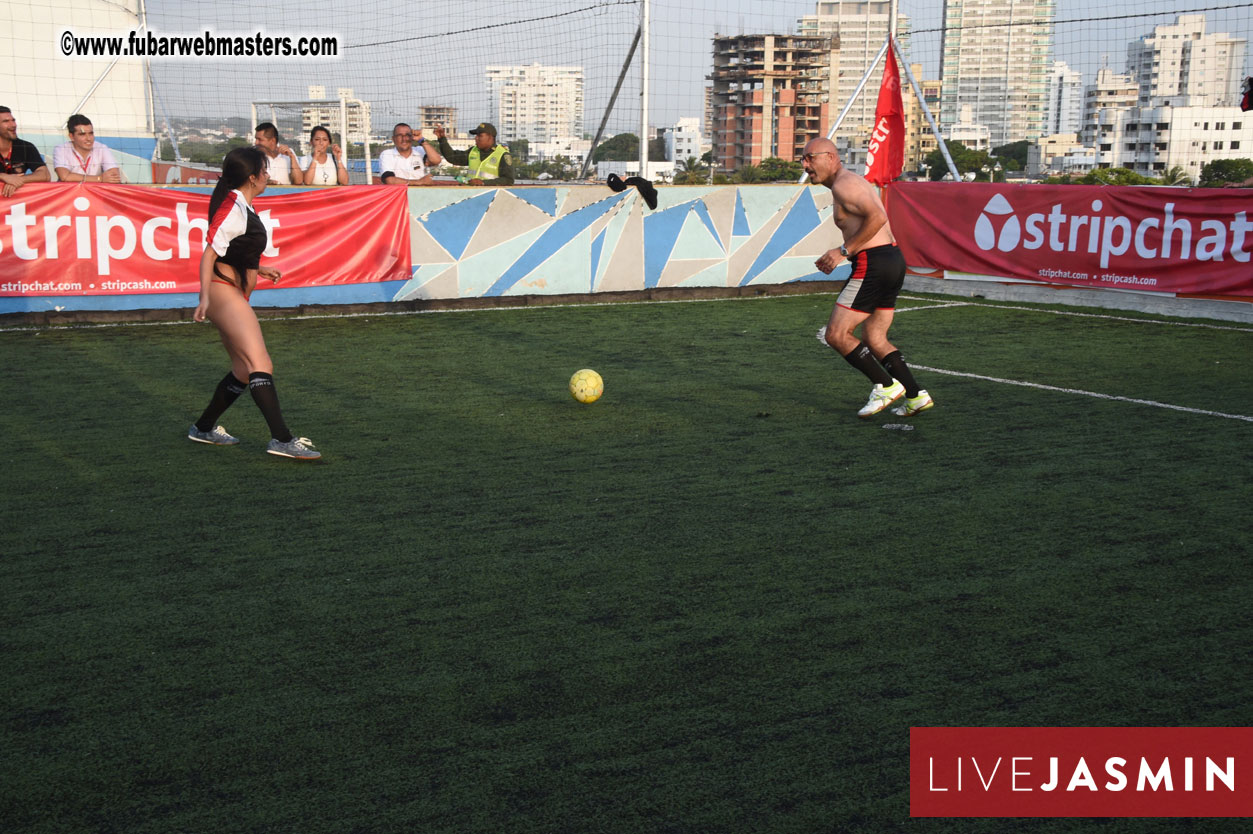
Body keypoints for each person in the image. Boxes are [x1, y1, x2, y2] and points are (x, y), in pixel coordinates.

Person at [189, 145, 320, 459]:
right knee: (261, 364)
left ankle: (203, 428)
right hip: (223, 292)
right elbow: (209, 253)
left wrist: (259, 269)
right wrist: (205, 297)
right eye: (264, 170)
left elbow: (232, 249)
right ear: (251, 177)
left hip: (227, 291)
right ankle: (282, 440)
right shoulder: (233, 207)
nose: (267, 175)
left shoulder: (241, 205)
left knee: (243, 370)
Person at [802, 136, 933, 419]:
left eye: (810, 158)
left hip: (873, 263)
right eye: (803, 159)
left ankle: (885, 385)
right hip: (890, 260)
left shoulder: (845, 184)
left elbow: (878, 217)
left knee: (836, 334)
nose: (805, 165)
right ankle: (915, 395)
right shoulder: (847, 183)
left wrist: (843, 251)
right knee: (875, 338)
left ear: (831, 157)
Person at [433, 122, 514, 186]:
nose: (476, 138)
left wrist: (483, 183)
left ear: (490, 137)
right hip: (471, 195)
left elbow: (508, 180)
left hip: (490, 196)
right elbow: (452, 157)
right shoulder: (473, 151)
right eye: (476, 135)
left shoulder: (503, 154)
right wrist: (442, 139)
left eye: (480, 136)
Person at [52, 114, 122, 183]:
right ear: (71, 136)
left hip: (94, 190)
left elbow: (114, 177)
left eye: (91, 133)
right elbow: (65, 177)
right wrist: (99, 179)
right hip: (72, 190)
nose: (88, 138)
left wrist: (77, 178)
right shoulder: (61, 149)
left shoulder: (101, 148)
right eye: (82, 134)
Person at [0, 106, 50, 197]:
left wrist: (19, 180)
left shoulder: (25, 147)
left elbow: (45, 175)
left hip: (17, 202)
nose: (13, 125)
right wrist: (3, 176)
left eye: (13, 120)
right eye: (6, 121)